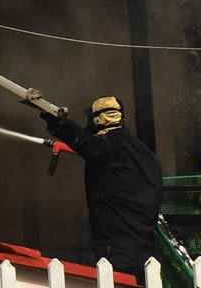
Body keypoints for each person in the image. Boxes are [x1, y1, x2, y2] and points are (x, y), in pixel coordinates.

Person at [43, 96, 164, 279]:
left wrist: (49, 115)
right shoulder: (148, 156)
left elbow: (80, 138)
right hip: (147, 253)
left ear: (97, 121)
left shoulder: (106, 148)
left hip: (116, 251)